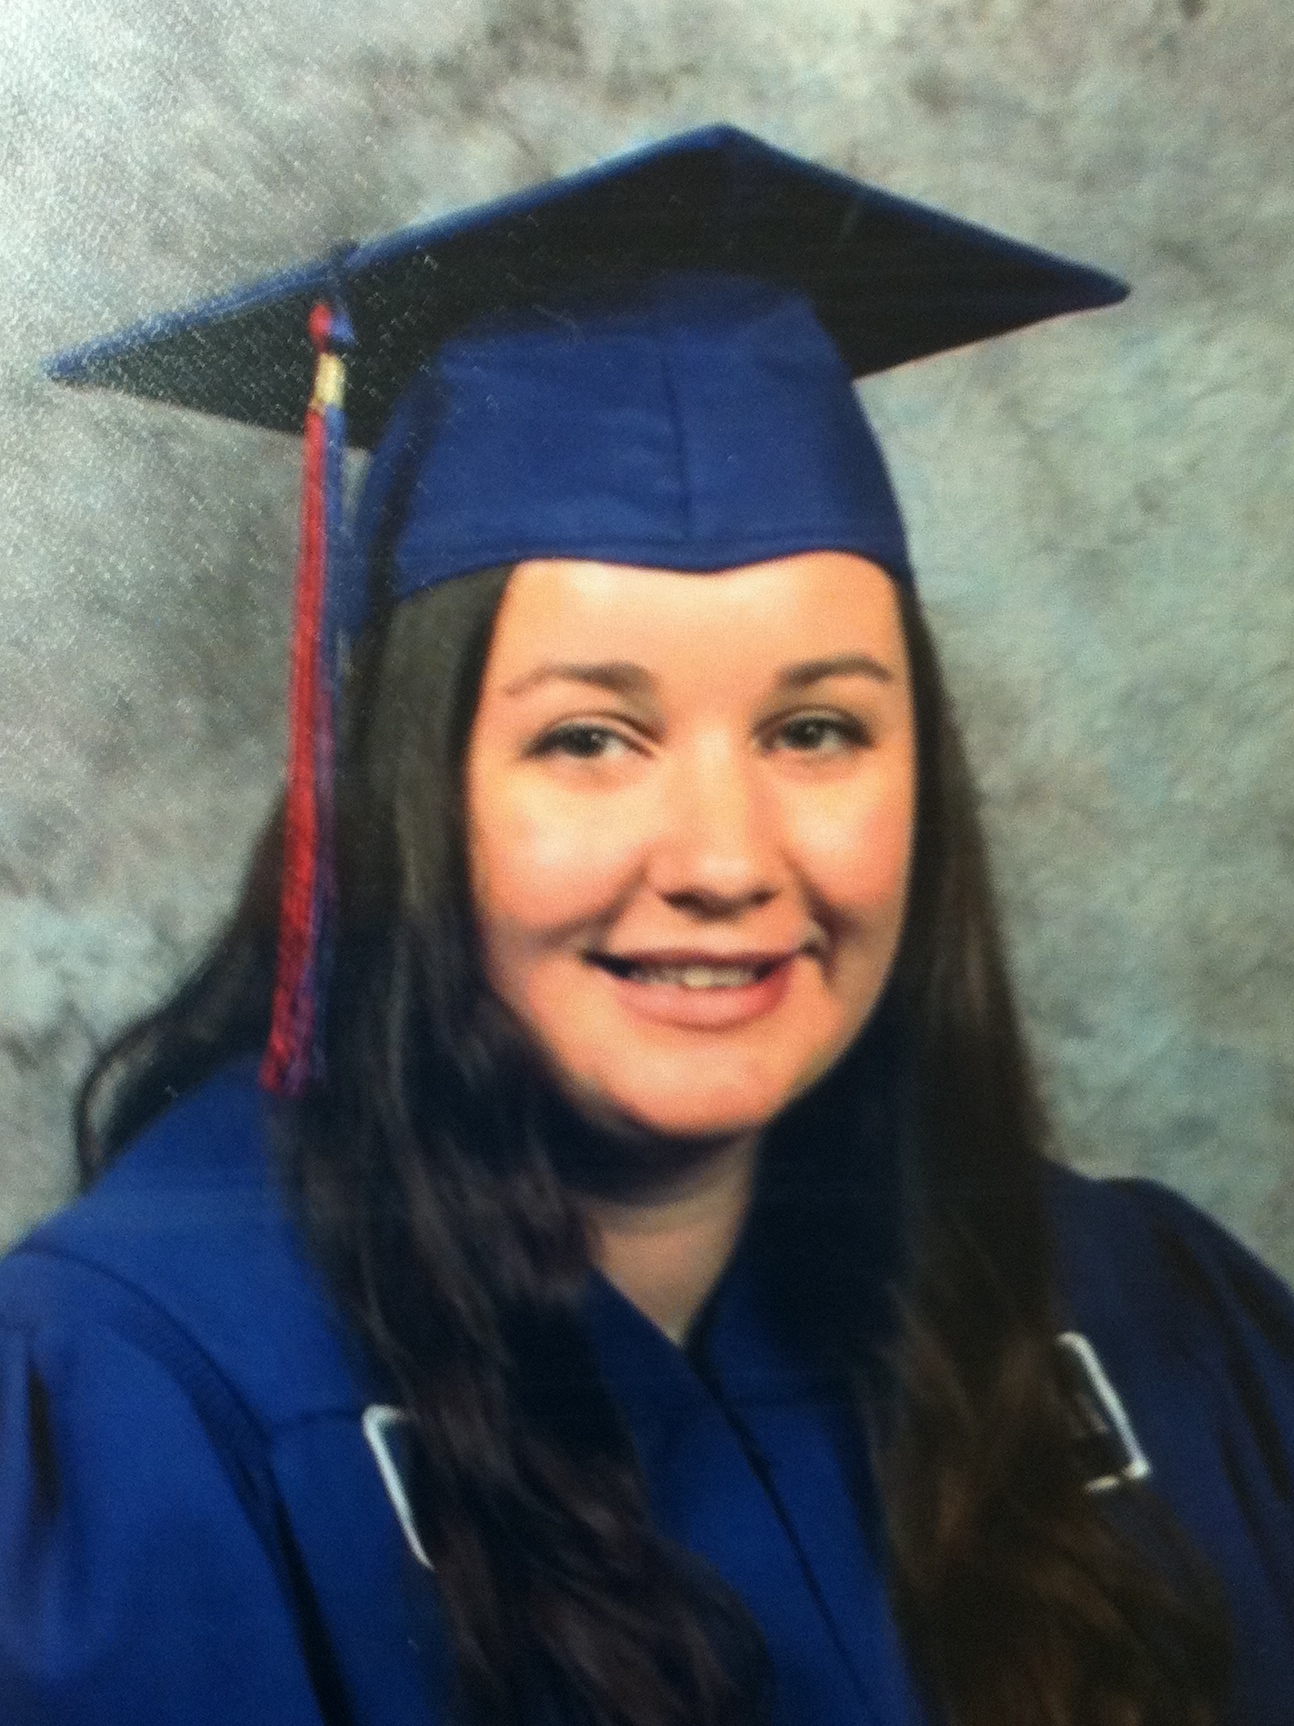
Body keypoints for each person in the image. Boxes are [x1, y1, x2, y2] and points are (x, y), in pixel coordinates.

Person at [1, 127, 1291, 1726]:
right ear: (401, 789)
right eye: (589, 738)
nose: (725, 859)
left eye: (815, 729)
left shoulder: (1133, 1312)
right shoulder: (145, 1392)